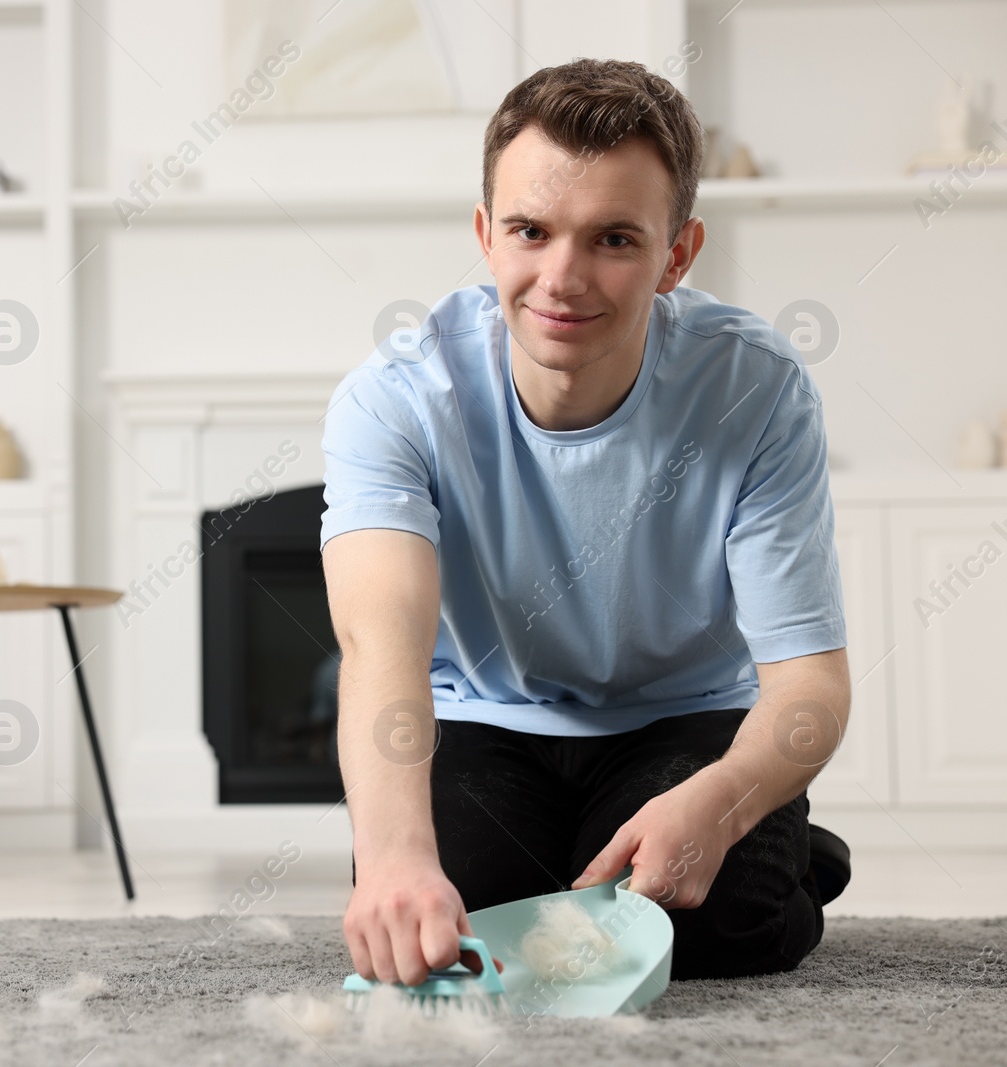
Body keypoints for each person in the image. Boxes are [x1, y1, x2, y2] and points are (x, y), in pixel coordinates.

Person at [320, 58, 852, 985]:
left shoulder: (756, 390)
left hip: (686, 721)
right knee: (465, 935)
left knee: (718, 930)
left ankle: (796, 849)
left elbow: (810, 685)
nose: (561, 277)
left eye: (612, 238)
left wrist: (725, 807)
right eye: (530, 230)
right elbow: (379, 647)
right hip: (482, 720)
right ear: (487, 235)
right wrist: (397, 855)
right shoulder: (395, 399)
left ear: (677, 254)